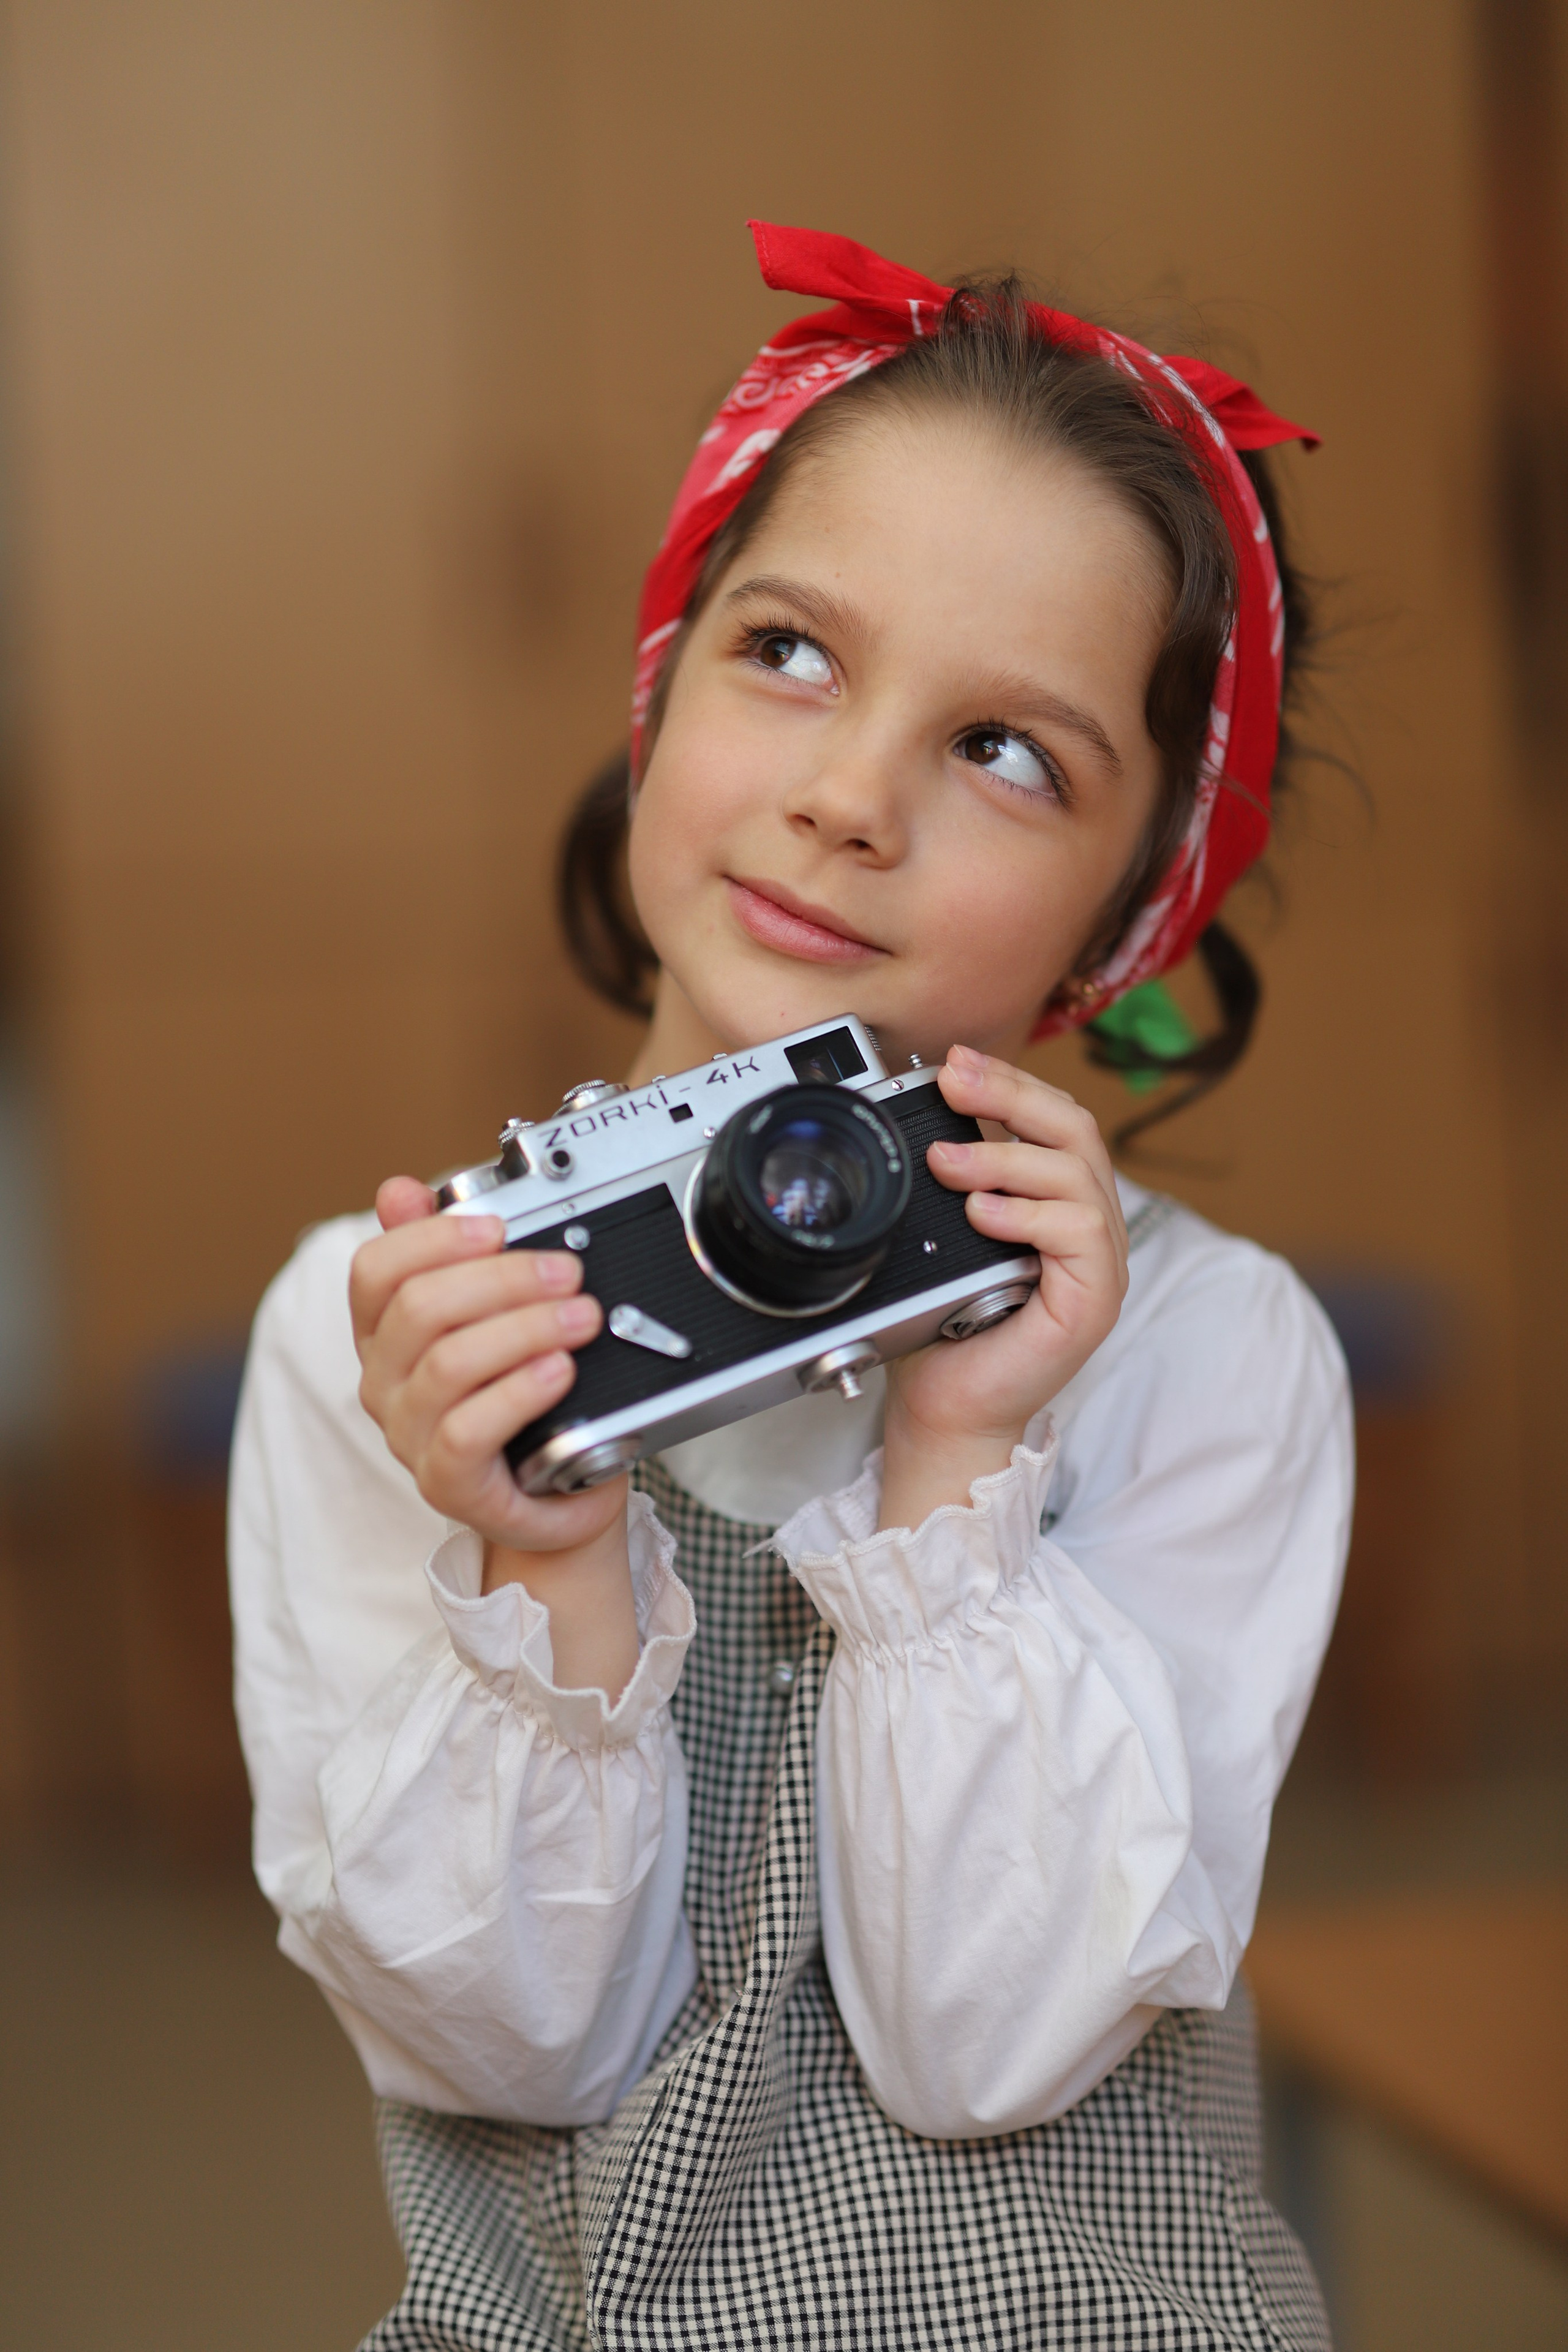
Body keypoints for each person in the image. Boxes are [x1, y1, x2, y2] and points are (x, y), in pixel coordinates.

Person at [230, 223, 1352, 2350]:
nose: (849, 800)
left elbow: (984, 2051)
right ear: (661, 689)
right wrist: (541, 1556)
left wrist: (959, 1463)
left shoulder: (1209, 1352)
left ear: (1128, 910)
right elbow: (508, 2059)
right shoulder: (381, 1333)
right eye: (793, 654)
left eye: (1010, 753)